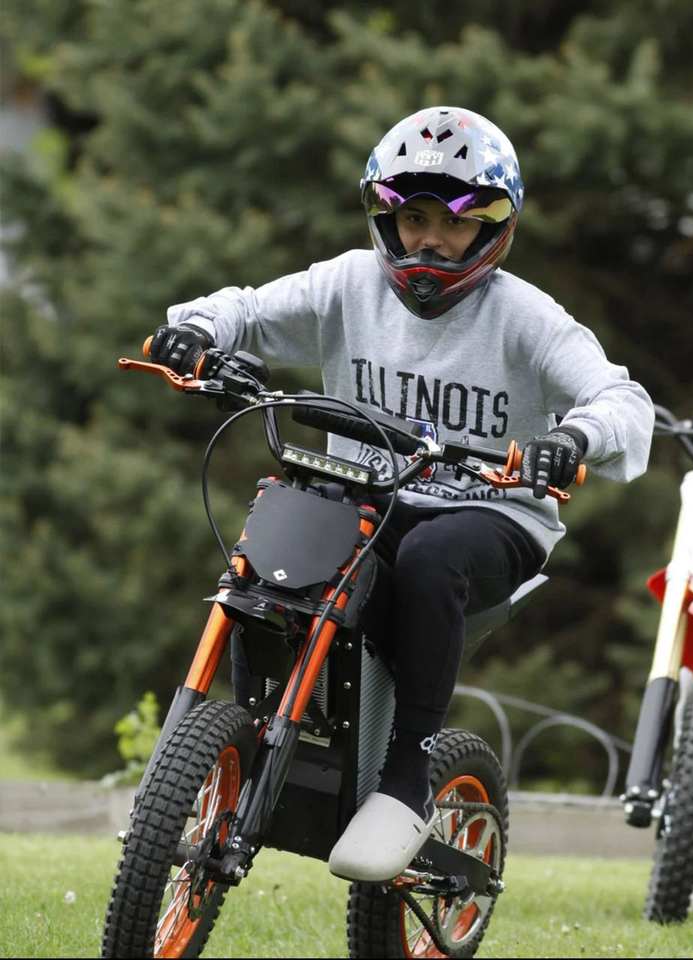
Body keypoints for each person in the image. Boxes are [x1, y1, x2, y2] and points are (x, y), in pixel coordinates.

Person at [148, 106, 654, 882]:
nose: (430, 241)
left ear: (494, 228)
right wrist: (198, 330)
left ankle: (407, 773)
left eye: (454, 222)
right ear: (385, 217)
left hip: (491, 512)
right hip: (370, 497)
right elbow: (244, 308)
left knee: (431, 555)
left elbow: (621, 400)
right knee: (280, 521)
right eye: (414, 218)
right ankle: (247, 736)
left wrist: (572, 440)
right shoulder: (348, 284)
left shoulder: (525, 318)